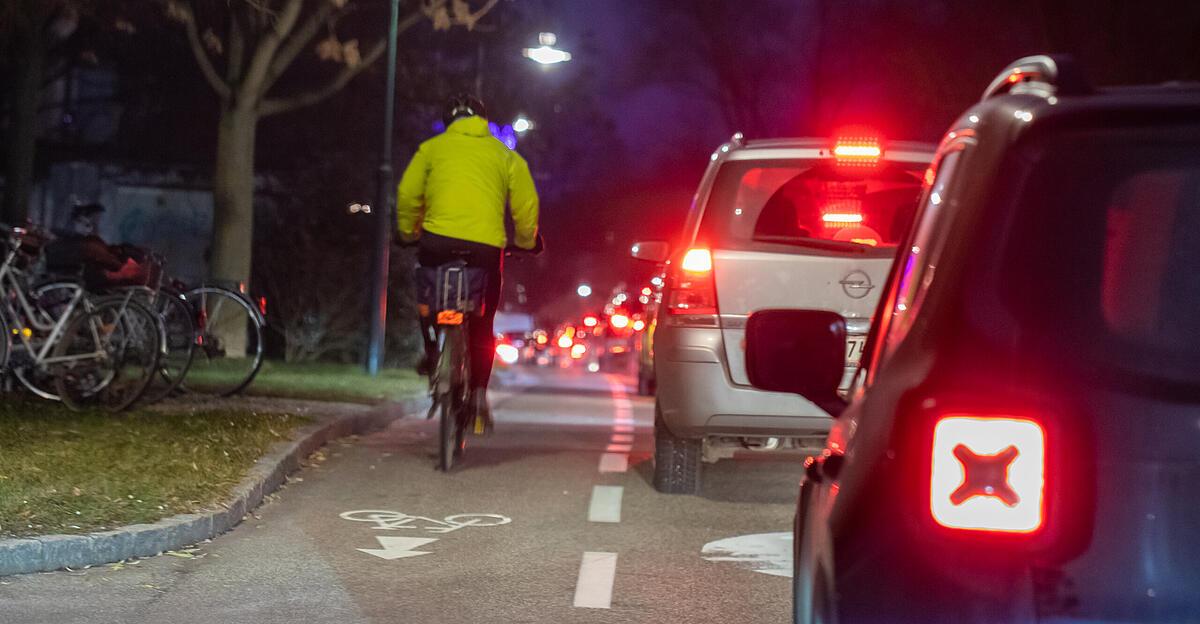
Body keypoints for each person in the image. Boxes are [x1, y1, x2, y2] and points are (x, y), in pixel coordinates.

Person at [396, 93, 540, 432]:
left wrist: (407, 231)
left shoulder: (431, 149)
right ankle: (477, 393)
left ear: (448, 121)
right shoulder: (504, 155)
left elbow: (408, 194)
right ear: (482, 120)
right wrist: (525, 241)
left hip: (436, 240)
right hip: (485, 248)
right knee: (482, 321)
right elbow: (525, 202)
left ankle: (432, 350)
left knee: (428, 297)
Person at [45, 203, 147, 289]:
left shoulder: (90, 241)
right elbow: (110, 262)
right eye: (89, 223)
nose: (95, 226)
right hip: (85, 282)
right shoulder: (86, 244)